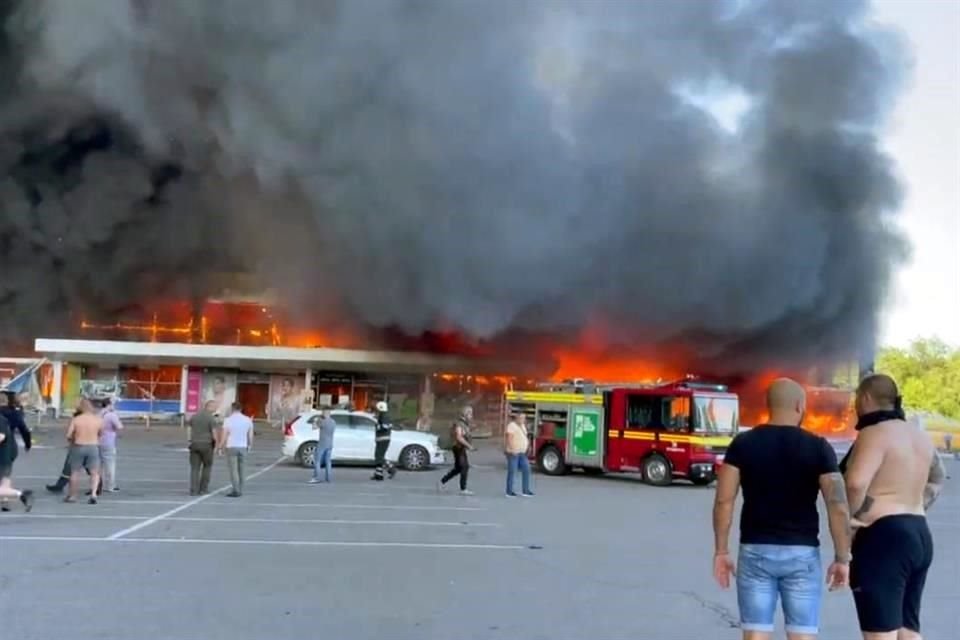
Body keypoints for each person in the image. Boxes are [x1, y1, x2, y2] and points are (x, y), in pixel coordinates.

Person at [712, 378, 851, 640]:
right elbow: (838, 506)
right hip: (802, 553)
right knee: (802, 635)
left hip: (755, 551)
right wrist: (843, 558)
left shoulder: (743, 444)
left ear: (769, 406)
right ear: (800, 405)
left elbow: (724, 501)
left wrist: (721, 550)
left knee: (755, 633)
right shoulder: (818, 447)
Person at [842, 374, 944, 640]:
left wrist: (850, 521)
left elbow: (854, 484)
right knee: (908, 630)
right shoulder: (920, 436)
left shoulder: (873, 434)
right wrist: (913, 503)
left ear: (864, 398)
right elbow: (937, 478)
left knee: (881, 633)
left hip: (883, 538)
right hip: (919, 532)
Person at [65, 398, 104, 505]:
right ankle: (93, 494)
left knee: (75, 472)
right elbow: (101, 433)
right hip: (93, 446)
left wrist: (72, 440)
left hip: (78, 446)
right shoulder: (98, 420)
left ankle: (73, 495)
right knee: (94, 473)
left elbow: (68, 435)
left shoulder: (77, 420)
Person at [0, 391, 32, 512]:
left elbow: (1, 436)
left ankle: (18, 495)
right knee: (5, 477)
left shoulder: (1, 418)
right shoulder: (15, 413)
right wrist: (28, 444)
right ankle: (6, 500)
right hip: (10, 447)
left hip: (3, 449)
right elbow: (24, 429)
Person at [438, 406, 476, 496]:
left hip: (460, 447)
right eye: (470, 413)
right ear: (465, 414)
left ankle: (442, 481)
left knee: (459, 468)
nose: (471, 415)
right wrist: (469, 446)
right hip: (458, 448)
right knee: (464, 467)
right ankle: (463, 489)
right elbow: (459, 437)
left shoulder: (464, 423)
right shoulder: (459, 423)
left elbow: (464, 434)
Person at [219, 402, 253, 497]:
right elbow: (250, 435)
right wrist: (249, 445)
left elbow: (224, 435)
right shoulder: (248, 420)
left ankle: (236, 490)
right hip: (243, 446)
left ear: (232, 409)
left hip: (231, 446)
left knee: (233, 470)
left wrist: (220, 446)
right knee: (242, 469)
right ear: (241, 409)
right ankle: (241, 489)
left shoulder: (228, 420)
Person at [188, 400, 221, 496]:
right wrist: (217, 445)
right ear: (209, 407)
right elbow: (214, 433)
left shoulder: (195, 416)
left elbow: (189, 428)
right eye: (215, 407)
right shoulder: (211, 418)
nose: (216, 409)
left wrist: (190, 440)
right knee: (207, 466)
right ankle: (203, 489)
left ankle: (193, 490)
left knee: (194, 468)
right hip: (207, 445)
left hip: (194, 444)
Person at [504, 411, 533, 497]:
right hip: (514, 453)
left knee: (527, 469)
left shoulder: (523, 426)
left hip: (522, 453)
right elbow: (509, 438)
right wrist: (512, 449)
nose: (523, 420)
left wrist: (528, 446)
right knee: (512, 471)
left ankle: (526, 490)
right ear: (517, 418)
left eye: (524, 418)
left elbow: (524, 437)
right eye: (521, 418)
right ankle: (509, 491)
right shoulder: (511, 426)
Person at [98, 398, 124, 493]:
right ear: (109, 404)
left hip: (97, 441)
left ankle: (98, 485)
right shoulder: (111, 415)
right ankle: (110, 486)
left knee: (98, 465)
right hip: (108, 442)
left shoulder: (99, 414)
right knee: (110, 465)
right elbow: (119, 427)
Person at [371, 401, 397, 481]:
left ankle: (391, 468)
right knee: (377, 457)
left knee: (379, 457)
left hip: (383, 439)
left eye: (377, 408)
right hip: (382, 439)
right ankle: (378, 474)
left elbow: (384, 427)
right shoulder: (383, 415)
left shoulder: (383, 416)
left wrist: (377, 426)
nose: (376, 410)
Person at [309, 408, 336, 484]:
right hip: (330, 443)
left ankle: (316, 477)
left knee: (317, 461)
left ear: (324, 413)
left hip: (322, 443)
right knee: (328, 461)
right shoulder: (333, 422)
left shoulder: (323, 422)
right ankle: (328, 478)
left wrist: (315, 420)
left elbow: (314, 427)